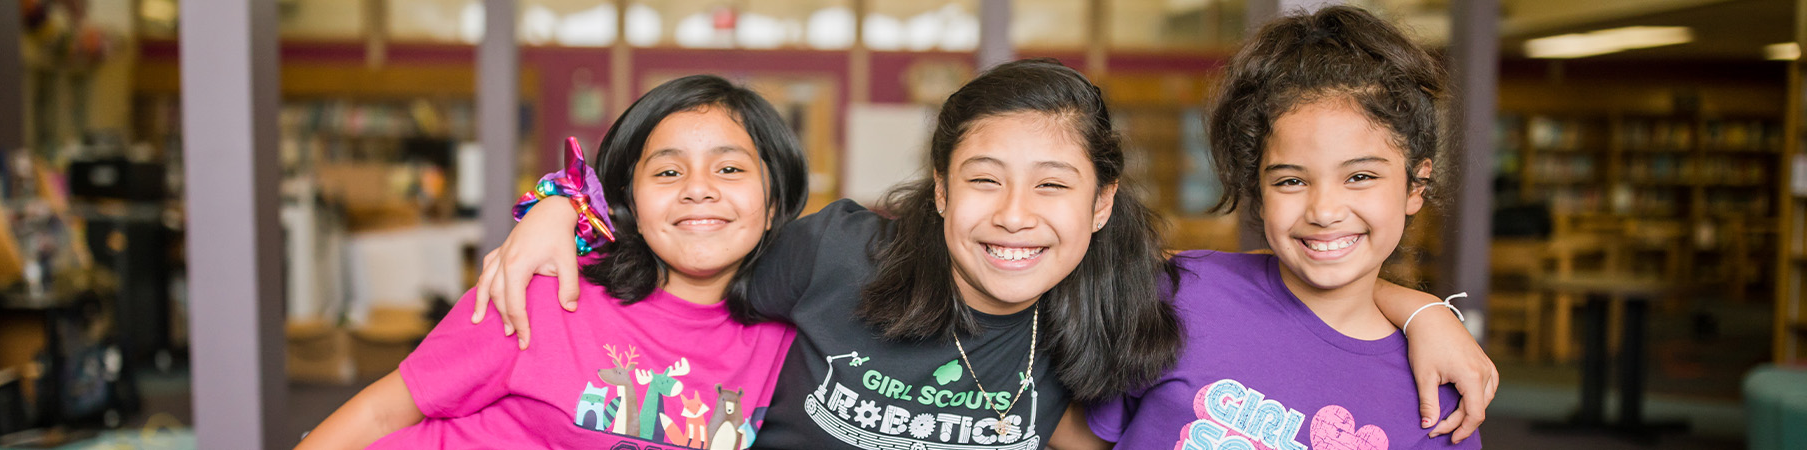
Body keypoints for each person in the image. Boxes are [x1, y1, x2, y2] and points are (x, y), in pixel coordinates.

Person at [479, 59, 1494, 449]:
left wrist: (1424, 309)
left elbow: (1304, 276)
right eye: (983, 180)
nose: (1015, 217)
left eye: (1053, 185)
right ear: (939, 189)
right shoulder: (839, 252)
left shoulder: (1125, 298)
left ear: (1100, 208)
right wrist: (561, 208)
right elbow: (690, 233)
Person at [296, 74, 806, 449]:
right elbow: (384, 413)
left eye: (730, 168)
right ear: (632, 201)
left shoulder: (791, 339)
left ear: (773, 205)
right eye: (668, 172)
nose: (698, 188)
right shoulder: (543, 289)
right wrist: (559, 205)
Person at [1085, 6, 1486, 448]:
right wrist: (1421, 307)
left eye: (1360, 177)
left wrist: (1423, 311)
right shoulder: (1179, 292)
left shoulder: (1439, 393)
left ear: (1416, 185)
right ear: (1258, 191)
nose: (1325, 211)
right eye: (1291, 181)